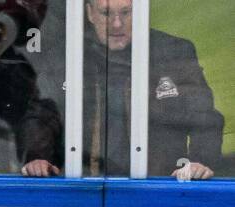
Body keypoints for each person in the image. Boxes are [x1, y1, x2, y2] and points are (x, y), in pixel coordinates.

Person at [22, 0, 225, 178]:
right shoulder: (66, 56)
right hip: (84, 193)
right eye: (106, 13)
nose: (117, 23)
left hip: (160, 193)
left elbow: (204, 118)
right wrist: (38, 158)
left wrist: (200, 162)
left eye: (126, 12)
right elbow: (42, 116)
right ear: (90, 13)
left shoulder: (174, 53)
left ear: (140, 11)